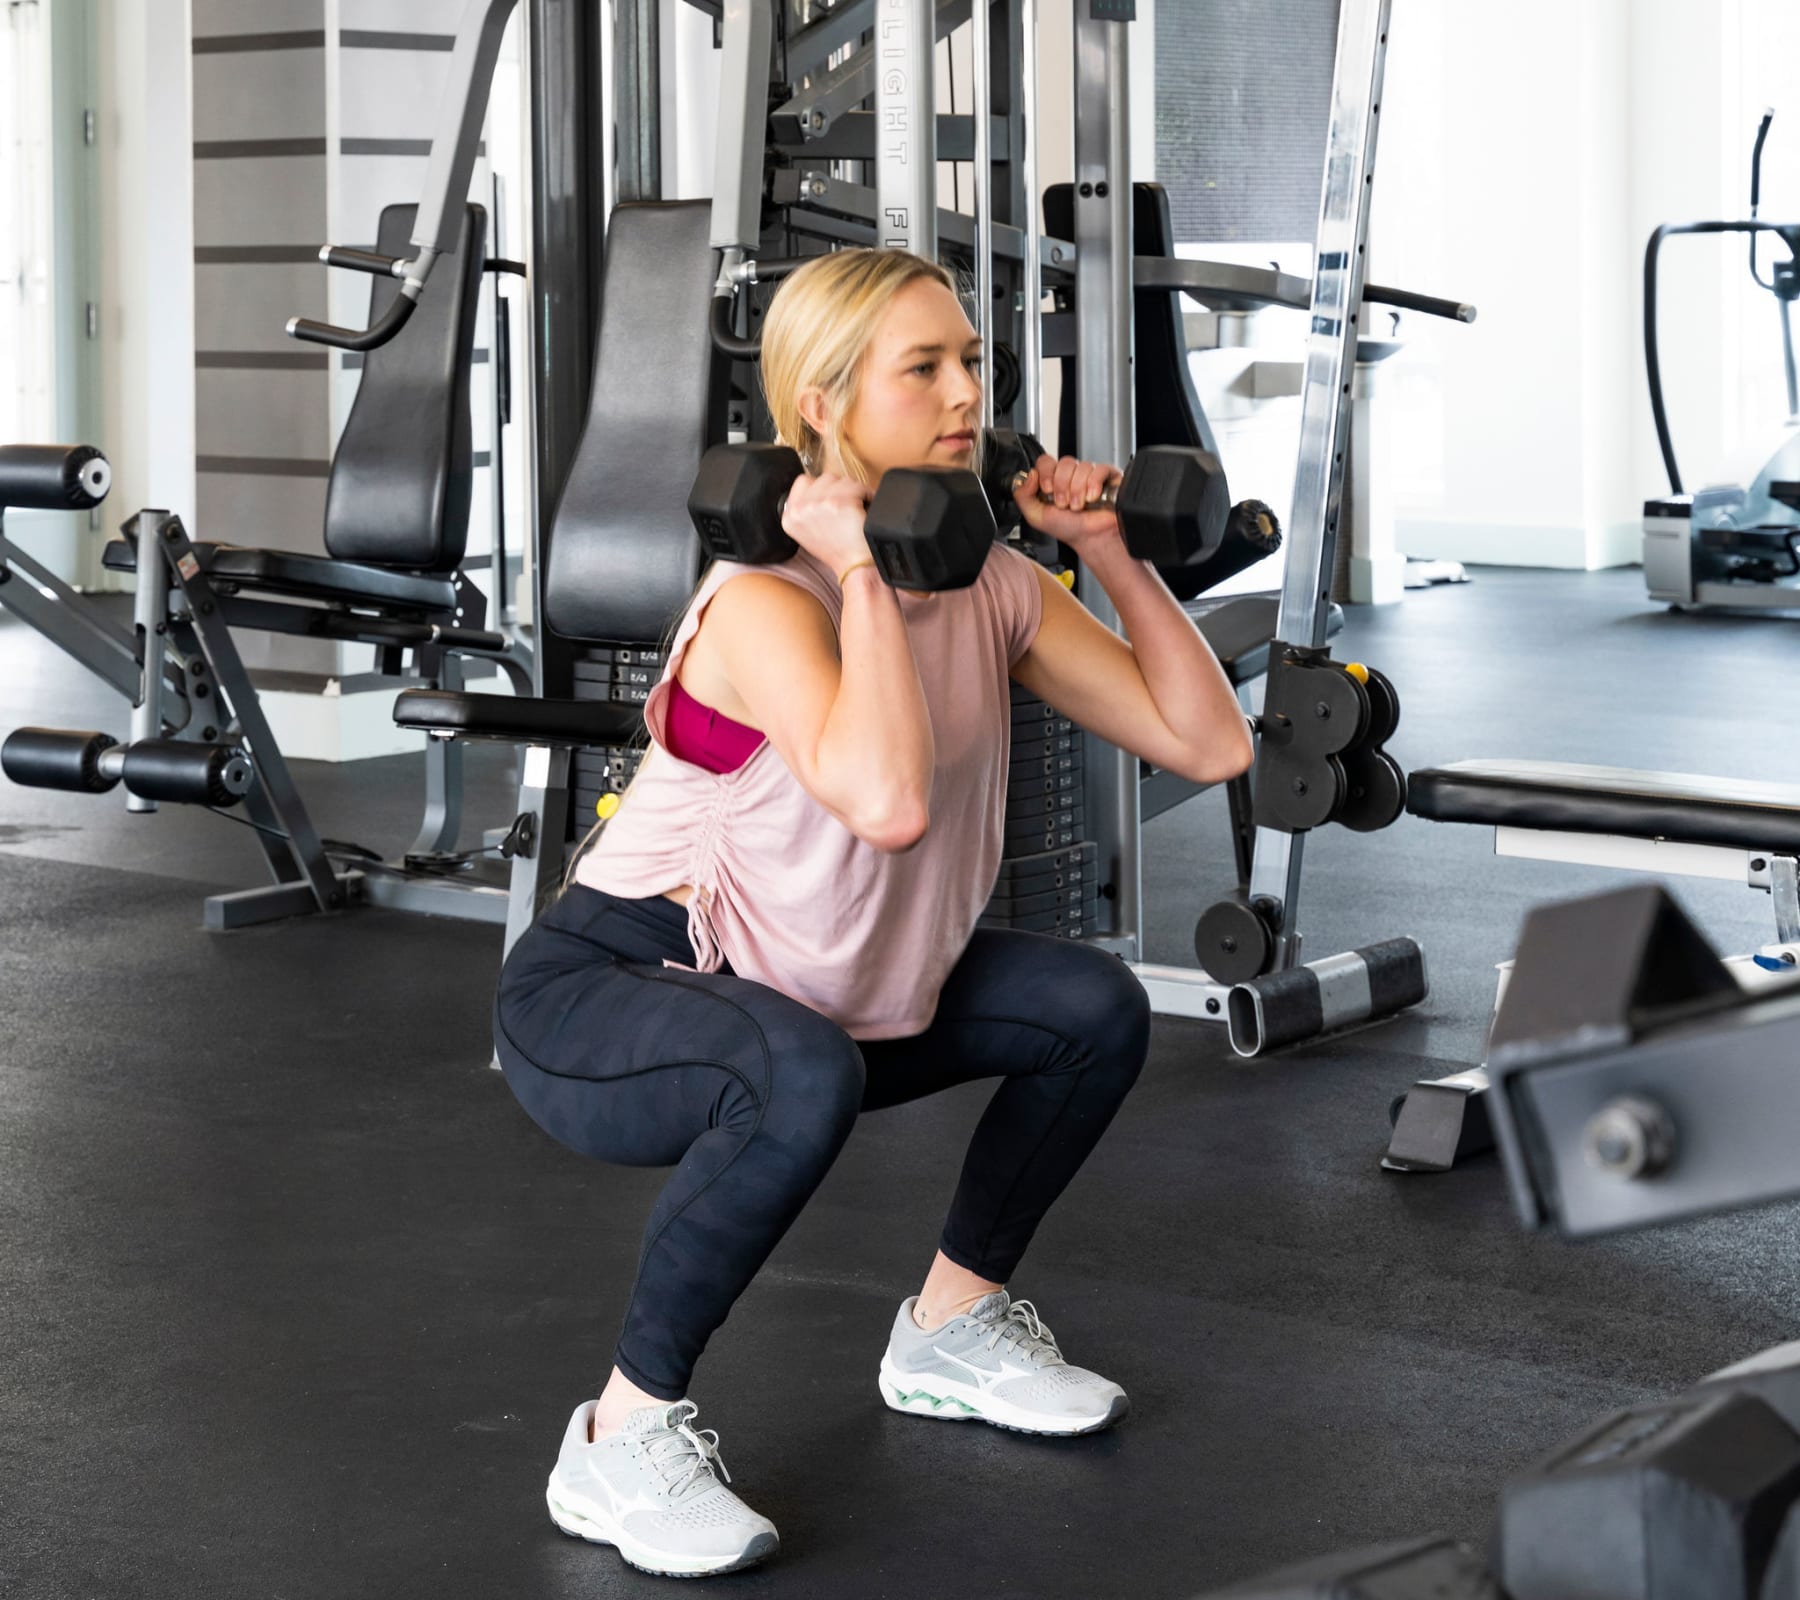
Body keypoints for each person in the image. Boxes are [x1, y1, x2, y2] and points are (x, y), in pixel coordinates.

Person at [492, 247, 1255, 1579]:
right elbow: (888, 800)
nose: (969, 392)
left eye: (972, 361)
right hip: (617, 992)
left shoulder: (996, 587)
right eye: (926, 368)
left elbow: (1206, 745)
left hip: (822, 987)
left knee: (1088, 1009)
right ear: (828, 407)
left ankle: (951, 1329)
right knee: (797, 1071)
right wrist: (853, 567)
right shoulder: (761, 603)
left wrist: (1103, 550)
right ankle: (618, 1441)